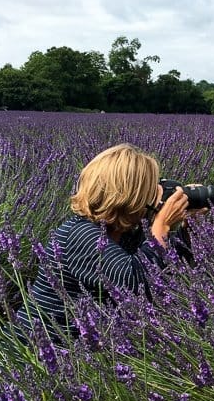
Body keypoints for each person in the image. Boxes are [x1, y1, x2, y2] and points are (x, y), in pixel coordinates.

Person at [16, 143, 202, 337]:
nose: (158, 193)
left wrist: (190, 230)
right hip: (35, 355)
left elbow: (165, 264)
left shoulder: (126, 231)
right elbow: (137, 286)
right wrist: (161, 225)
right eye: (151, 189)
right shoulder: (79, 234)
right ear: (131, 195)